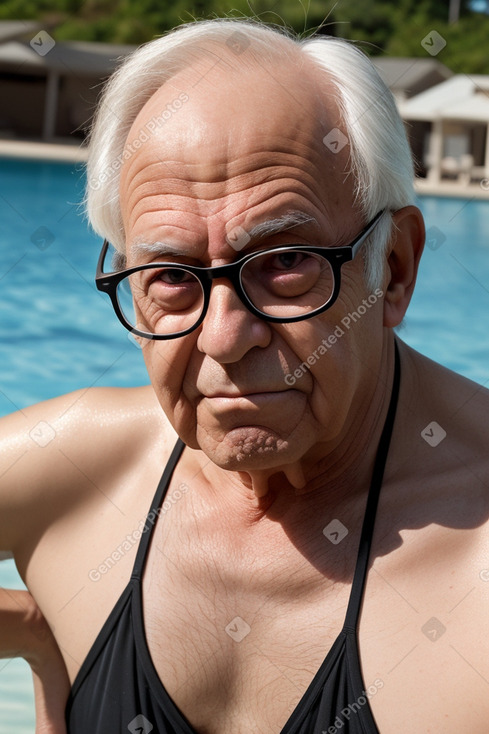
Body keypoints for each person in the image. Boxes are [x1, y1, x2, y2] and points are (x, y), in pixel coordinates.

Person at [1, 16, 489, 734]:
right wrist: (47, 654)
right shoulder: (77, 471)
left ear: (392, 269)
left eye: (286, 263)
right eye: (170, 275)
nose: (224, 337)